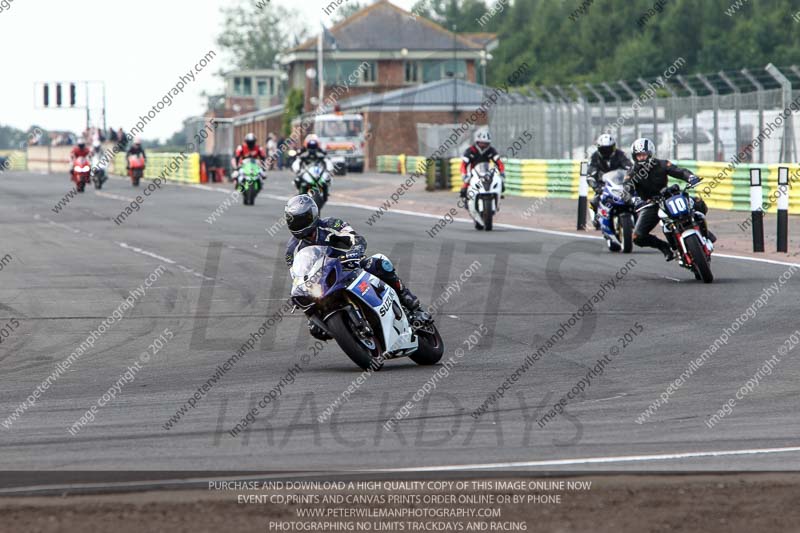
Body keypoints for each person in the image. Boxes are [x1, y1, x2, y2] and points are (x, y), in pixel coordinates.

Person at [284, 194, 421, 340]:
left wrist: (354, 250)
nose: (299, 224)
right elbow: (298, 277)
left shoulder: (331, 224)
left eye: (303, 219)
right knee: (315, 328)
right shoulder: (291, 251)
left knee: (379, 262)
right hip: (323, 282)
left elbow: (356, 238)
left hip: (349, 266)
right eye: (295, 221)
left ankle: (408, 300)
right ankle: (349, 331)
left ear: (313, 214)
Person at [623, 138, 712, 260]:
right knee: (638, 237)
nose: (641, 158)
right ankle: (665, 248)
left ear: (650, 154)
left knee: (698, 203)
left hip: (669, 196)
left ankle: (705, 233)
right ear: (634, 157)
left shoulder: (661, 164)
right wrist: (634, 199)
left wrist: (691, 177)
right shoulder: (632, 172)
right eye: (638, 156)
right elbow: (626, 188)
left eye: (644, 155)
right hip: (650, 204)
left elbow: (679, 171)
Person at [587, 134, 632, 228]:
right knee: (595, 201)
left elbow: (628, 166)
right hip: (603, 184)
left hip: (619, 183)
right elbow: (591, 172)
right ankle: (597, 218)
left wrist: (630, 174)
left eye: (609, 149)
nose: (607, 152)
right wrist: (596, 186)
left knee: (634, 198)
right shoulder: (595, 156)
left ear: (614, 147)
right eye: (604, 149)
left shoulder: (620, 154)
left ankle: (636, 218)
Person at [459, 128, 506, 199]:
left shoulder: (491, 150)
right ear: (477, 142)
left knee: (501, 185)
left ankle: (496, 196)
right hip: (474, 173)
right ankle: (467, 199)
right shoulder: (470, 150)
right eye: (482, 143)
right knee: (463, 191)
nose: (484, 145)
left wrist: (502, 173)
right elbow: (464, 164)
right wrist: (464, 175)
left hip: (487, 172)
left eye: (486, 143)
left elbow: (499, 162)